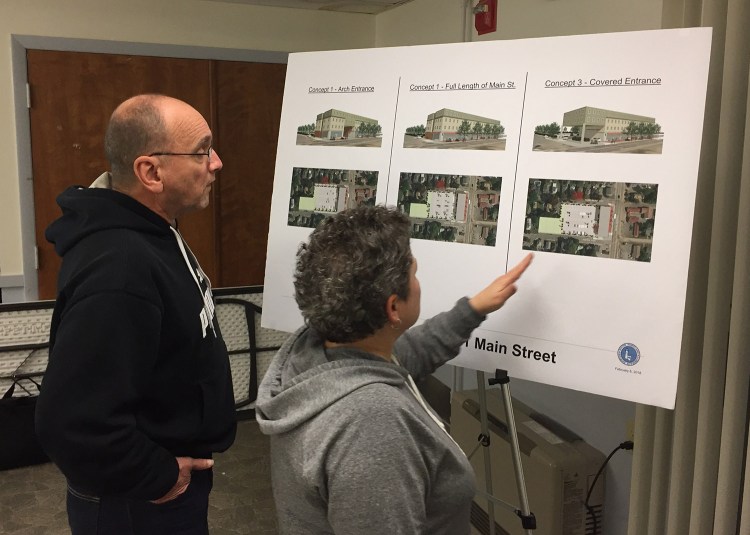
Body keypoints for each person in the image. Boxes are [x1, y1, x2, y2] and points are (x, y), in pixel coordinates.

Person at [256, 205, 532, 535]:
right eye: (413, 274)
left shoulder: (318, 355)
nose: (417, 282)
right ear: (392, 308)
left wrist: (473, 309)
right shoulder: (372, 426)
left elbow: (409, 353)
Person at [36, 94, 236, 535]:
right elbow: (70, 421)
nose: (216, 162)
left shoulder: (153, 229)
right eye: (202, 151)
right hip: (137, 502)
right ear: (150, 172)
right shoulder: (120, 267)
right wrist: (159, 477)